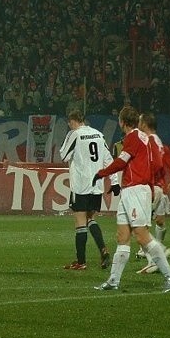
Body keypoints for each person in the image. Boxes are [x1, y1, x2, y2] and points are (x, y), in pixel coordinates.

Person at [92, 106, 170, 292]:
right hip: (132, 190)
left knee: (141, 236)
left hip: (136, 190)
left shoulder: (132, 137)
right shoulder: (146, 139)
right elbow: (157, 162)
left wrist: (101, 173)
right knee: (122, 236)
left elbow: (122, 161)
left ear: (121, 122)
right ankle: (113, 280)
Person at [59, 109, 120, 270]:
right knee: (91, 219)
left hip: (80, 185)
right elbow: (109, 159)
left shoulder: (75, 134)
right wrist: (114, 182)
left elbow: (63, 155)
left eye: (69, 123)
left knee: (80, 223)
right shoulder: (99, 135)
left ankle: (81, 262)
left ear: (73, 121)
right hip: (97, 185)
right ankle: (103, 250)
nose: (69, 125)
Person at [136, 112, 170, 274]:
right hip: (159, 187)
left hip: (151, 187)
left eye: (139, 122)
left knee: (139, 226)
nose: (138, 124)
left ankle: (158, 251)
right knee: (158, 221)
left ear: (145, 124)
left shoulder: (150, 141)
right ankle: (156, 254)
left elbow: (157, 163)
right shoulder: (159, 141)